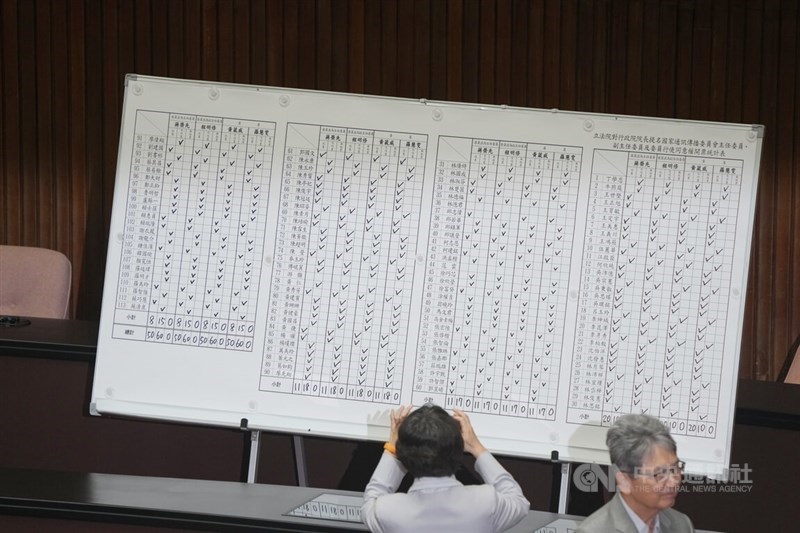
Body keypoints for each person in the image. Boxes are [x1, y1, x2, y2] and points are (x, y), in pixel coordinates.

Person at [361, 404, 530, 533]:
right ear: (458, 450)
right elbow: (518, 501)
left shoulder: (386, 510)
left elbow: (372, 498)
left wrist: (392, 448)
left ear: (403, 456)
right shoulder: (486, 502)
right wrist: (477, 448)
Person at [576, 413, 694, 533]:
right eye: (660, 474)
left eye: (675, 468)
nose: (673, 481)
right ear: (624, 481)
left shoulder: (681, 525)